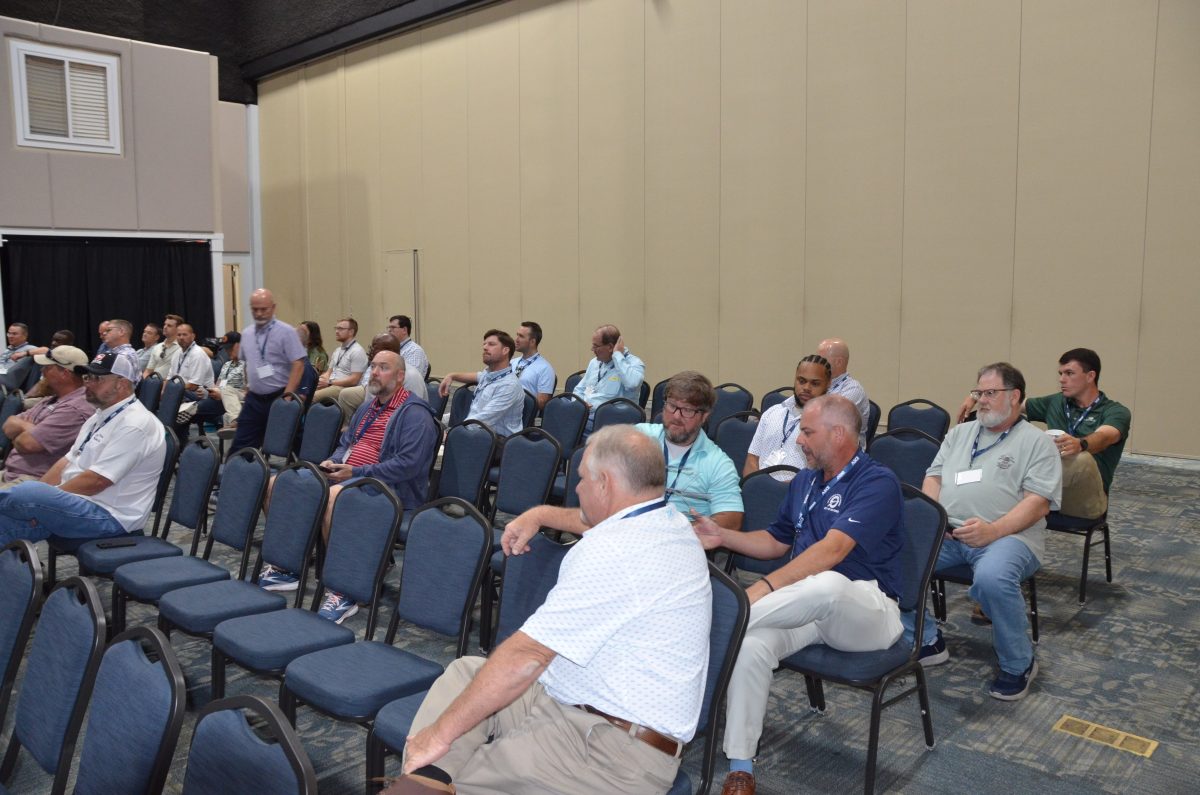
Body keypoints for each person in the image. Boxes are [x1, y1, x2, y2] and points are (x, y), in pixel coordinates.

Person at [389, 425, 712, 795]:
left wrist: (438, 736)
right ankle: (428, 781)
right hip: (577, 706)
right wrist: (540, 514)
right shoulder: (669, 521)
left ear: (605, 483)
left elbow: (527, 656)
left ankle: (430, 781)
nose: (577, 488)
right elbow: (593, 517)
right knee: (466, 673)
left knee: (456, 764)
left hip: (609, 752)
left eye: (582, 479)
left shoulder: (614, 552)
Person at [691, 394, 905, 795]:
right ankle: (741, 766)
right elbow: (776, 540)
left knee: (827, 583)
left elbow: (833, 551)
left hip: (867, 612)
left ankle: (708, 627)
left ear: (838, 434)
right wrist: (722, 536)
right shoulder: (805, 481)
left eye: (807, 432)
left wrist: (762, 588)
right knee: (750, 645)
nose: (799, 441)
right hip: (808, 610)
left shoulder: (877, 482)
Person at [909, 363, 1061, 701]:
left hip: (1010, 537)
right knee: (891, 559)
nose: (981, 400)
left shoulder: (1037, 443)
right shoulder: (959, 434)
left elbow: (1038, 504)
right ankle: (926, 639)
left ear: (1015, 396)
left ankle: (1019, 663)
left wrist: (992, 531)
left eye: (991, 393)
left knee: (992, 578)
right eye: (978, 393)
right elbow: (934, 477)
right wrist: (935, 520)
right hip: (948, 533)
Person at [259, 350, 439, 623]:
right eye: (373, 366)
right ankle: (288, 567)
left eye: (383, 368)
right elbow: (347, 444)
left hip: (388, 488)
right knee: (278, 482)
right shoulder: (368, 407)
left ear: (400, 376)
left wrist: (356, 471)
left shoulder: (415, 414)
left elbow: (408, 466)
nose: (374, 372)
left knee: (334, 498)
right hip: (348, 475)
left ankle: (347, 588)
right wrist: (333, 461)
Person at [0, 350, 166, 546]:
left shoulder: (135, 424)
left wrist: (44, 501)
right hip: (77, 504)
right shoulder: (99, 416)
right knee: (8, 520)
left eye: (97, 378)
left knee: (29, 492)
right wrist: (44, 501)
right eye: (88, 377)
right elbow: (66, 461)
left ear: (121, 383)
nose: (88, 383)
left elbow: (96, 481)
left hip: (109, 516)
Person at [956, 348, 1129, 519]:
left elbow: (1105, 437)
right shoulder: (1057, 402)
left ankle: (989, 487)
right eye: (1060, 373)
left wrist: (1080, 444)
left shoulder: (1116, 411)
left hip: (1085, 498)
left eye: (1069, 373)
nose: (1062, 379)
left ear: (1090, 376)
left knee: (1080, 459)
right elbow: (1009, 401)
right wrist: (977, 396)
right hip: (1043, 487)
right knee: (1015, 431)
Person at [0, 345, 93, 487]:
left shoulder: (75, 409)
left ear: (65, 373)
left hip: (30, 482)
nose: (42, 371)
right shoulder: (52, 399)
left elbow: (27, 444)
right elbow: (8, 425)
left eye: (48, 368)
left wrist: (22, 430)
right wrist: (29, 428)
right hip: (11, 474)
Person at [230, 289, 307, 453]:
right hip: (254, 399)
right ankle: (235, 469)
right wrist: (248, 386)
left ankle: (311, 467)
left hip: (279, 396)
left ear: (273, 307)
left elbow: (298, 363)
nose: (259, 313)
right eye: (255, 309)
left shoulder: (286, 332)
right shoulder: (247, 333)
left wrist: (287, 395)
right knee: (241, 446)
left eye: (263, 309)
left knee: (295, 444)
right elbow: (247, 363)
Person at [744, 354, 831, 479]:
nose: (806, 388)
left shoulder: (830, 423)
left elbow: (825, 474)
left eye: (815, 383)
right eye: (801, 381)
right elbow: (752, 458)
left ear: (828, 384)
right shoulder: (772, 413)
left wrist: (784, 489)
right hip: (760, 488)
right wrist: (756, 486)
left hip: (799, 490)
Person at [438, 329, 525, 436]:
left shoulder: (509, 386)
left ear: (505, 350)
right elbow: (475, 376)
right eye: (484, 344)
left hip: (497, 441)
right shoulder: (488, 374)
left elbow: (480, 421)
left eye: (491, 344)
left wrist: (451, 433)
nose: (485, 347)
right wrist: (452, 376)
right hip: (476, 433)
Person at [335, 333, 425, 424]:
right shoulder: (375, 375)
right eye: (373, 366)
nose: (371, 350)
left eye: (375, 347)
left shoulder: (411, 376)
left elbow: (414, 414)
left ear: (389, 351)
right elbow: (370, 408)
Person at [572, 324, 645, 430]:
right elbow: (579, 389)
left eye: (596, 346)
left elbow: (632, 384)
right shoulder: (594, 362)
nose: (592, 349)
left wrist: (617, 356)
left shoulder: (633, 363)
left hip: (613, 423)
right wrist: (579, 405)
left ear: (610, 347)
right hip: (586, 416)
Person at [816, 338, 871, 446]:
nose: (816, 364)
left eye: (821, 360)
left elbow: (828, 422)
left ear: (839, 362)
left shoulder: (853, 389)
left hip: (843, 448)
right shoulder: (818, 384)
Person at [312, 317, 369, 404]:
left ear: (351, 332)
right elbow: (329, 372)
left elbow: (354, 380)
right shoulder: (337, 350)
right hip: (331, 384)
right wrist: (321, 379)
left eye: (340, 329)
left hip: (343, 387)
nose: (336, 331)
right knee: (304, 391)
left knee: (312, 397)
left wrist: (329, 382)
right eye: (336, 328)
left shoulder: (357, 351)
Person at [511, 321, 556, 410]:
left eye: (521, 336)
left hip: (524, 413)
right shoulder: (511, 363)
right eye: (517, 335)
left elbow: (542, 403)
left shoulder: (545, 368)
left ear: (532, 342)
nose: (516, 339)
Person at [98, 319, 142, 385]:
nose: (104, 333)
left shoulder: (125, 356)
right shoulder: (111, 352)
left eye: (108, 330)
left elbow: (117, 387)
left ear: (121, 332)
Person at [143, 314, 183, 380]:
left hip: (170, 383)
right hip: (153, 382)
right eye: (165, 324)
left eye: (169, 326)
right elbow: (148, 371)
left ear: (178, 329)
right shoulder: (157, 347)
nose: (165, 327)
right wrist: (145, 382)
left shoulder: (182, 347)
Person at [0, 322, 37, 390]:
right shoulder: (7, 350)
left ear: (25, 336)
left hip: (9, 381)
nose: (10, 336)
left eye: (14, 334)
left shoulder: (30, 349)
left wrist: (24, 353)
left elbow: (47, 351)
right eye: (9, 333)